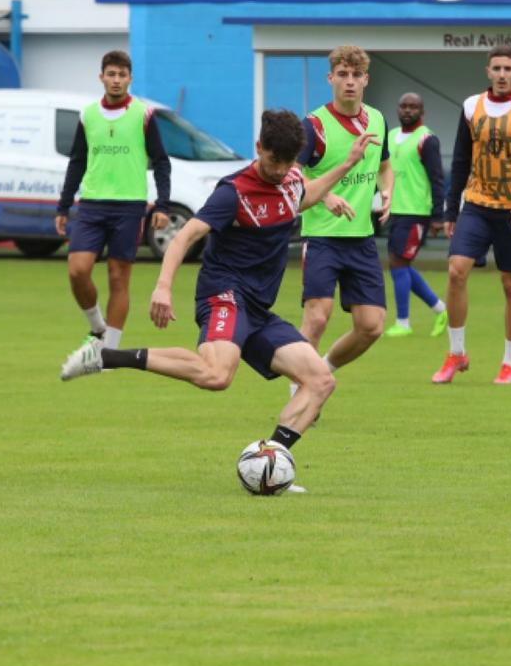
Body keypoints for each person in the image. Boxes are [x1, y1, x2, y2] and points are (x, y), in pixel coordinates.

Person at [60, 110, 370, 482]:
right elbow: (187, 235)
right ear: (259, 148)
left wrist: (347, 164)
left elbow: (305, 195)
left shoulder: (289, 181)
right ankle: (106, 355)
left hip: (257, 308)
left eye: (287, 162)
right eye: (273, 160)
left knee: (321, 381)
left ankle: (269, 464)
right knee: (216, 375)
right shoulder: (232, 192)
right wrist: (163, 286)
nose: (279, 169)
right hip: (223, 294)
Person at [434, 44, 511, 385]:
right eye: (496, 68)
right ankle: (456, 354)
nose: (502, 74)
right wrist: (450, 208)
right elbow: (460, 161)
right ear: (487, 71)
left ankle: (509, 363)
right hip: (476, 203)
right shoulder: (471, 106)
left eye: (508, 69)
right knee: (456, 271)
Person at [55, 50, 171, 354]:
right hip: (91, 204)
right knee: (77, 270)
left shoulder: (143, 114)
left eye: (122, 75)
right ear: (102, 77)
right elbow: (77, 161)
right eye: (111, 74)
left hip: (129, 207)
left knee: (118, 278)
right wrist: (63, 205)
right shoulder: (88, 114)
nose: (116, 80)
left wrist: (163, 205)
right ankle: (97, 327)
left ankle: (109, 352)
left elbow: (161, 161)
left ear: (129, 79)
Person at [292, 45, 392, 396]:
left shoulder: (378, 120)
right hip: (321, 237)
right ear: (330, 78)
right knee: (317, 317)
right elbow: (293, 173)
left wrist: (388, 192)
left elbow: (383, 166)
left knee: (371, 326)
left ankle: (323, 369)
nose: (349, 82)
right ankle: (301, 388)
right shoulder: (315, 124)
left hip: (361, 238)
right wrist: (326, 195)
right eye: (342, 75)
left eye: (356, 76)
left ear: (366, 79)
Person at [385, 92, 448, 338]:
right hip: (395, 209)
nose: (407, 110)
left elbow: (437, 179)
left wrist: (437, 216)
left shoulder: (427, 139)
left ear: (422, 112)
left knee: (398, 262)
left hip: (416, 211)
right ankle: (440, 309)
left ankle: (403, 322)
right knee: (399, 263)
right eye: (403, 106)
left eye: (413, 107)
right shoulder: (389, 137)